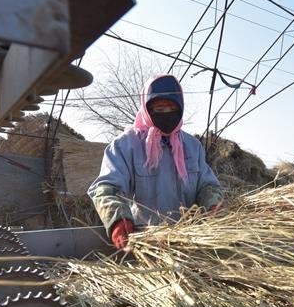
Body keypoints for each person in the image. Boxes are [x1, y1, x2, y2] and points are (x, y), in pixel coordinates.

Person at [89, 74, 223, 249]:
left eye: (171, 108)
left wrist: (213, 205)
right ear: (146, 108)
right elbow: (106, 189)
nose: (166, 115)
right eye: (159, 109)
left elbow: (208, 185)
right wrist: (118, 221)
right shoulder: (126, 145)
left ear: (181, 108)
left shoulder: (191, 146)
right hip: (147, 243)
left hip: (190, 243)